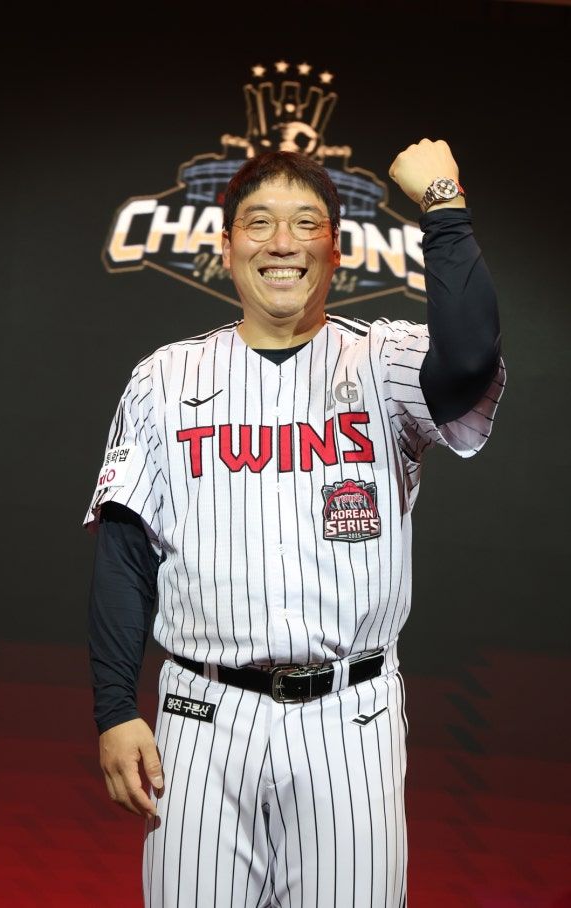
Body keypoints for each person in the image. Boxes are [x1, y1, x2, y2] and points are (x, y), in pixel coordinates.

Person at [84, 141, 505, 908]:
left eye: (305, 223)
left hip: (351, 715)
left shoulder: (384, 361)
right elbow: (124, 551)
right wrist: (115, 708)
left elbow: (471, 354)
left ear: (335, 251)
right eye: (258, 223)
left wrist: (443, 204)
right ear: (226, 248)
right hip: (201, 715)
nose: (281, 242)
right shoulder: (163, 379)